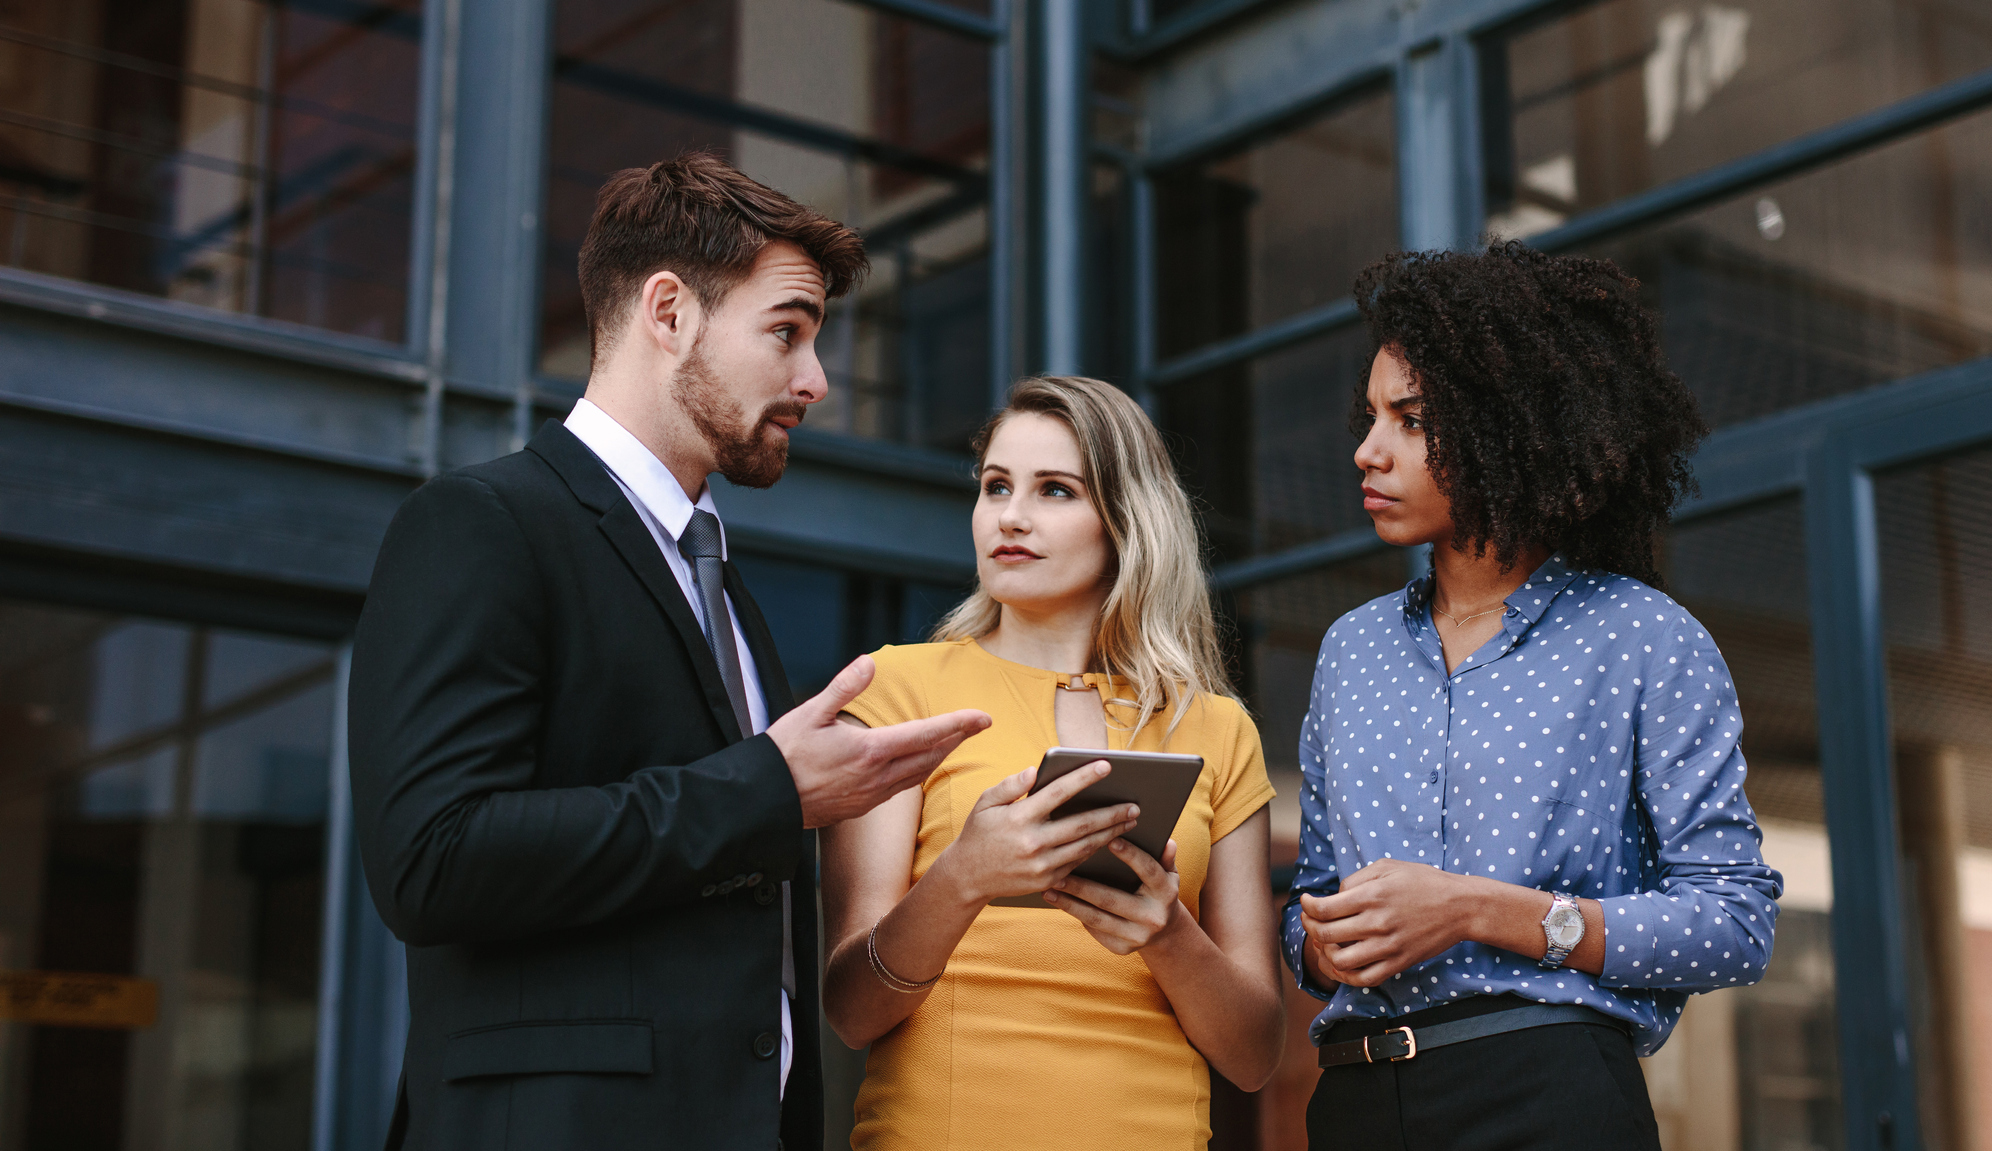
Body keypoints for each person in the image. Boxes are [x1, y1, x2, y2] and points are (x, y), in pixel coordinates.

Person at [348, 152, 990, 1151]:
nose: (814, 380)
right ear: (667, 311)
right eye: (786, 331)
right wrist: (768, 787)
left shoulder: (723, 583)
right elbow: (430, 859)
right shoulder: (480, 523)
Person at [1283, 243, 1784, 1151]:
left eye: (1412, 418)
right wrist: (1320, 943)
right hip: (1354, 1102)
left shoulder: (1642, 637)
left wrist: (1477, 909)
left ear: (1510, 425)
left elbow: (1734, 923)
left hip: (1544, 1096)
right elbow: (1311, 905)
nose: (1368, 449)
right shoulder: (1350, 650)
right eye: (1370, 417)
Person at [820, 376, 1286, 1150]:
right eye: (995, 486)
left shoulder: (1217, 727)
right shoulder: (897, 691)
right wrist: (963, 876)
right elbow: (851, 1009)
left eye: (1055, 491)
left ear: (1124, 521)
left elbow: (1256, 1055)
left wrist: (1167, 931)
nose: (1010, 515)